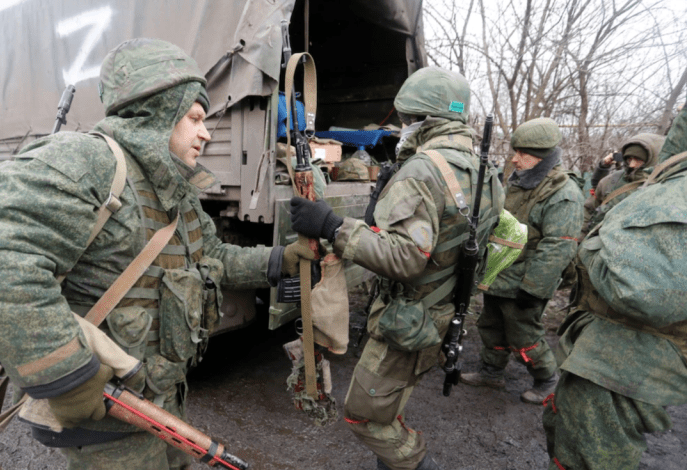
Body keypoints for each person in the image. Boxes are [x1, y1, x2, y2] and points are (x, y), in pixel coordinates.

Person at [0, 38, 313, 470]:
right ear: (158, 113)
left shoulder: (175, 189)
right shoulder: (87, 161)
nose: (206, 133)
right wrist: (69, 377)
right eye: (194, 117)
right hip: (107, 417)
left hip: (160, 403)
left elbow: (213, 258)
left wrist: (281, 261)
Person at [290, 66, 504, 470]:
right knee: (388, 404)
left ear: (423, 120)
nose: (401, 126)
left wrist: (333, 226)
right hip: (443, 312)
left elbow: (405, 257)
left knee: (365, 415)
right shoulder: (483, 170)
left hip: (410, 317)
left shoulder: (424, 170)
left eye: (406, 118)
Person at [542, 105, 687, 470]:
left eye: (640, 161)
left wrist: (590, 251)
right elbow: (595, 210)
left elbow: (644, 292)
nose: (634, 166)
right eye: (630, 160)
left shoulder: (667, 195)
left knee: (591, 451)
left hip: (630, 355)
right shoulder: (624, 184)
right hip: (609, 338)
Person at [460, 117, 584, 404]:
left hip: (525, 281)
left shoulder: (563, 194)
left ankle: (546, 379)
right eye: (515, 152)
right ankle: (491, 373)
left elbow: (558, 247)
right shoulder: (520, 182)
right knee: (490, 325)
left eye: (523, 154)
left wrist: (533, 288)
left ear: (541, 158)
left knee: (524, 333)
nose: (514, 160)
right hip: (499, 272)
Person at [582, 133, 665, 236]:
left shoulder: (664, 186)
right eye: (629, 158)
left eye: (638, 160)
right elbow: (589, 210)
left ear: (652, 160)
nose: (632, 165)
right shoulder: (611, 180)